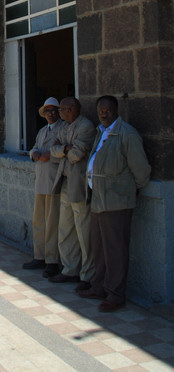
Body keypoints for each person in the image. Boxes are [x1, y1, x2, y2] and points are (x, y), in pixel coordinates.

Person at [79, 95, 151, 313]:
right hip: (98, 200)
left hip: (116, 201)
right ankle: (98, 286)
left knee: (115, 251)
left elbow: (141, 170)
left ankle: (116, 294)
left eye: (108, 110)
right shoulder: (101, 132)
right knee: (99, 248)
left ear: (116, 110)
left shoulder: (126, 134)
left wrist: (129, 189)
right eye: (100, 110)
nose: (103, 114)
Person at [49, 97, 95, 290]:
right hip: (65, 181)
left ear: (73, 109)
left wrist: (64, 149)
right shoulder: (63, 127)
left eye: (63, 109)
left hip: (79, 183)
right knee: (65, 228)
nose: (60, 112)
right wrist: (66, 148)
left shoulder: (85, 127)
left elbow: (77, 155)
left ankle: (87, 274)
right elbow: (53, 149)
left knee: (84, 231)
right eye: (60, 109)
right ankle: (69, 269)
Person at [23, 97, 64, 278]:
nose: (50, 114)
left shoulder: (63, 130)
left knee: (52, 223)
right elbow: (33, 149)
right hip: (40, 182)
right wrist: (36, 154)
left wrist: (48, 155)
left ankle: (52, 261)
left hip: (54, 182)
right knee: (38, 221)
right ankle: (39, 256)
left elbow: (62, 150)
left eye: (53, 111)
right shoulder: (42, 131)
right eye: (47, 111)